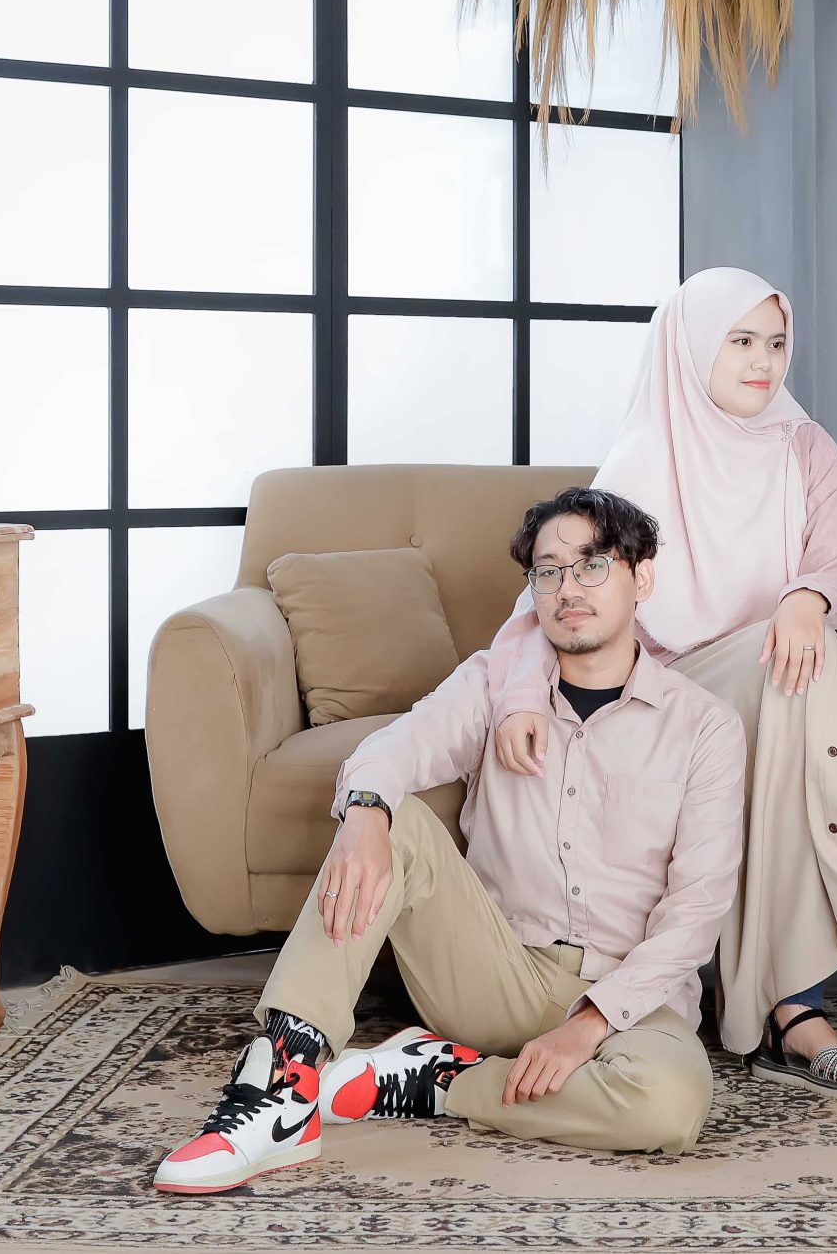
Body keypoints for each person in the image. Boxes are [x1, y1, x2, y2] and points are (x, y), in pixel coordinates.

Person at [484, 267, 837, 1101]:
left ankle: (789, 1014)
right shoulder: (641, 460)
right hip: (670, 692)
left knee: (793, 685)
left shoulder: (806, 447)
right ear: (691, 348)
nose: (763, 361)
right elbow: (545, 605)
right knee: (793, 671)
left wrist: (807, 597)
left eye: (777, 343)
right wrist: (521, 698)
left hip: (789, 683)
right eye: (740, 340)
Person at [154, 487, 745, 1194]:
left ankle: (439, 1080)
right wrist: (365, 814)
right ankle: (284, 1085)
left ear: (641, 577)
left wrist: (588, 1023)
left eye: (593, 565)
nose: (568, 588)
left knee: (668, 1106)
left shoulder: (705, 727)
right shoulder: (494, 685)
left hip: (633, 1000)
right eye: (549, 571)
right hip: (496, 970)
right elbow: (395, 748)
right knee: (391, 815)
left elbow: (697, 911)